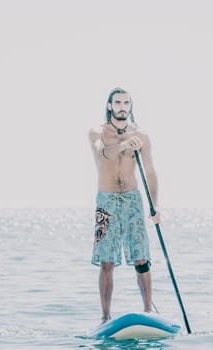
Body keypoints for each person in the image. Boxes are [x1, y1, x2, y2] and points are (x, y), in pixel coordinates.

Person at [88, 87, 161, 324]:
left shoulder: (141, 136)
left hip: (132, 199)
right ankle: (105, 317)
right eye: (117, 102)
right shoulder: (97, 132)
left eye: (126, 103)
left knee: (141, 258)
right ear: (110, 105)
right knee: (107, 260)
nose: (122, 106)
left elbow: (150, 172)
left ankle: (148, 312)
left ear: (130, 106)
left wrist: (155, 206)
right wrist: (123, 145)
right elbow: (103, 154)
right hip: (106, 201)